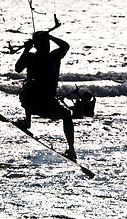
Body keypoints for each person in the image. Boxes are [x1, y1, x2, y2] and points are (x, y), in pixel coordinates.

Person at [15, 31, 77, 162]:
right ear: (37, 45)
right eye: (43, 43)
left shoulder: (54, 56)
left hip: (49, 102)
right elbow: (18, 68)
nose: (46, 46)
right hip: (32, 101)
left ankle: (71, 149)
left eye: (47, 43)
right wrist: (26, 49)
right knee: (31, 84)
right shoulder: (30, 57)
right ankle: (27, 121)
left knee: (66, 114)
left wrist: (51, 37)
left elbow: (65, 46)